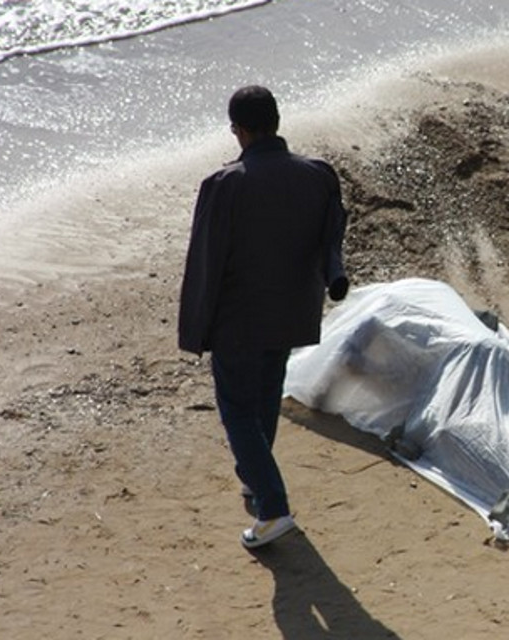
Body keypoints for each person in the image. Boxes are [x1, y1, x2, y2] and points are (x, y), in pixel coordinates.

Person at [178, 85, 348, 549]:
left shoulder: (224, 185)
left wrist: (197, 328)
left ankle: (272, 508)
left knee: (236, 407)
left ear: (240, 131)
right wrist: (334, 279)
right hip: (291, 310)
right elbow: (331, 238)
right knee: (266, 394)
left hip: (238, 317)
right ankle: (256, 478)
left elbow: (206, 262)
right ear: (276, 121)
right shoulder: (318, 174)